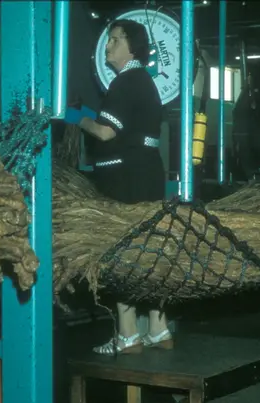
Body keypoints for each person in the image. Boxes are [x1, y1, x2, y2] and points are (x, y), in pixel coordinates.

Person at [71, 19, 171, 355]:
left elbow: (105, 132)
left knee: (120, 252)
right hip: (147, 173)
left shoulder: (125, 82)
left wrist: (77, 118)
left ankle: (127, 334)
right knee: (149, 250)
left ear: (132, 46)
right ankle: (158, 328)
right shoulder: (144, 81)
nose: (108, 45)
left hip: (124, 179)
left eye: (115, 40)